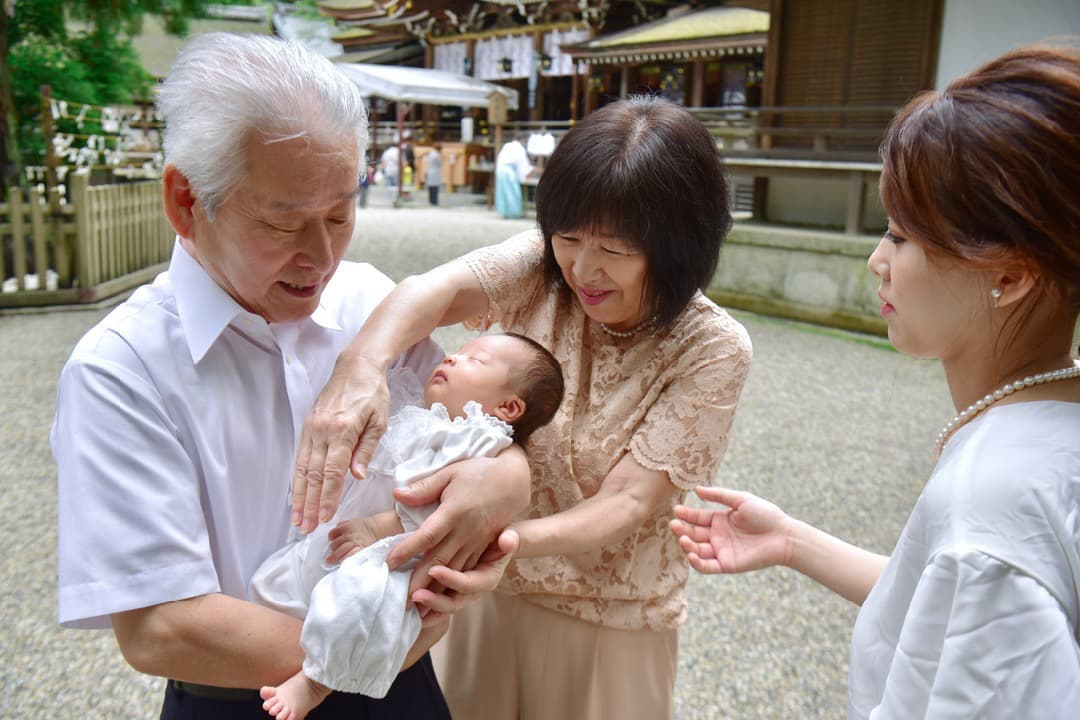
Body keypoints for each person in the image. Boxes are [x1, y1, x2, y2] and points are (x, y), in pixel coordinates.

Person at [50, 32, 530, 720]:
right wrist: (372, 643)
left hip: (405, 689)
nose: (322, 254)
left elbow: (481, 432)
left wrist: (500, 487)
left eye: (341, 213)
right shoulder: (121, 369)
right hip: (247, 698)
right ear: (186, 200)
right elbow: (160, 627)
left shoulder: (371, 304)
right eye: (283, 223)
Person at [289, 96, 753, 719]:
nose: (584, 269)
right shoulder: (542, 270)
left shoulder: (710, 347)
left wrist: (484, 536)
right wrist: (362, 366)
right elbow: (432, 291)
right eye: (569, 237)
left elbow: (629, 502)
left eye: (615, 250)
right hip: (483, 600)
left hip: (610, 622)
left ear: (679, 246)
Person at [671, 44, 1080, 718]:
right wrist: (792, 541)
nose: (875, 261)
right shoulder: (1051, 419)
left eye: (900, 236)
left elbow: (980, 583)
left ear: (1009, 274)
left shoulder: (989, 503)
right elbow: (947, 609)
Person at [255, 333, 564, 720]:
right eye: (459, 351)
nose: (451, 357)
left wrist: (377, 528)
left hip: (397, 557)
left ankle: (316, 680)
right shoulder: (426, 416)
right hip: (355, 542)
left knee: (360, 605)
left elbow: (439, 507)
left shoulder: (476, 441)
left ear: (507, 406)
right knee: (287, 586)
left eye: (475, 360)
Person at [494, 133, 531, 219]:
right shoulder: (520, 148)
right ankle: (514, 213)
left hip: (501, 169)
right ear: (522, 140)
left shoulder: (507, 145)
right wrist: (523, 176)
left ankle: (504, 211)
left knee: (503, 191)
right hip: (509, 170)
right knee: (513, 192)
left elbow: (499, 158)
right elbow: (522, 164)